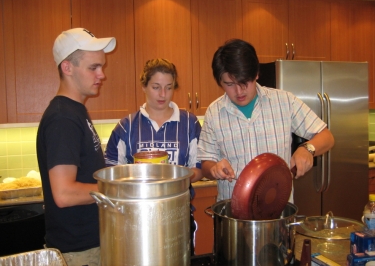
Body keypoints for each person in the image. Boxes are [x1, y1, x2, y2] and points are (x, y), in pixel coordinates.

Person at [197, 39, 334, 203]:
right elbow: (206, 162)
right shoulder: (214, 112)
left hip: (278, 210)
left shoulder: (284, 101)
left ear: (256, 74)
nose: (239, 91)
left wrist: (308, 148)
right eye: (230, 84)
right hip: (234, 215)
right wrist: (214, 168)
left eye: (244, 82)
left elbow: (327, 137)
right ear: (220, 82)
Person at [104, 58, 202, 255]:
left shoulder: (190, 124)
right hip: (135, 221)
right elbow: (112, 174)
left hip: (178, 217)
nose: (163, 94)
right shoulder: (127, 126)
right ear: (144, 86)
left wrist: (172, 181)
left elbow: (198, 169)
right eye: (156, 87)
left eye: (169, 87)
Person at [36, 28, 116, 266]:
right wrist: (116, 190)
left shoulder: (75, 112)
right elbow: (64, 194)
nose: (102, 74)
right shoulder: (63, 119)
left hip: (87, 247)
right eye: (93, 67)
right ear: (67, 67)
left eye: (101, 66)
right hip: (79, 253)